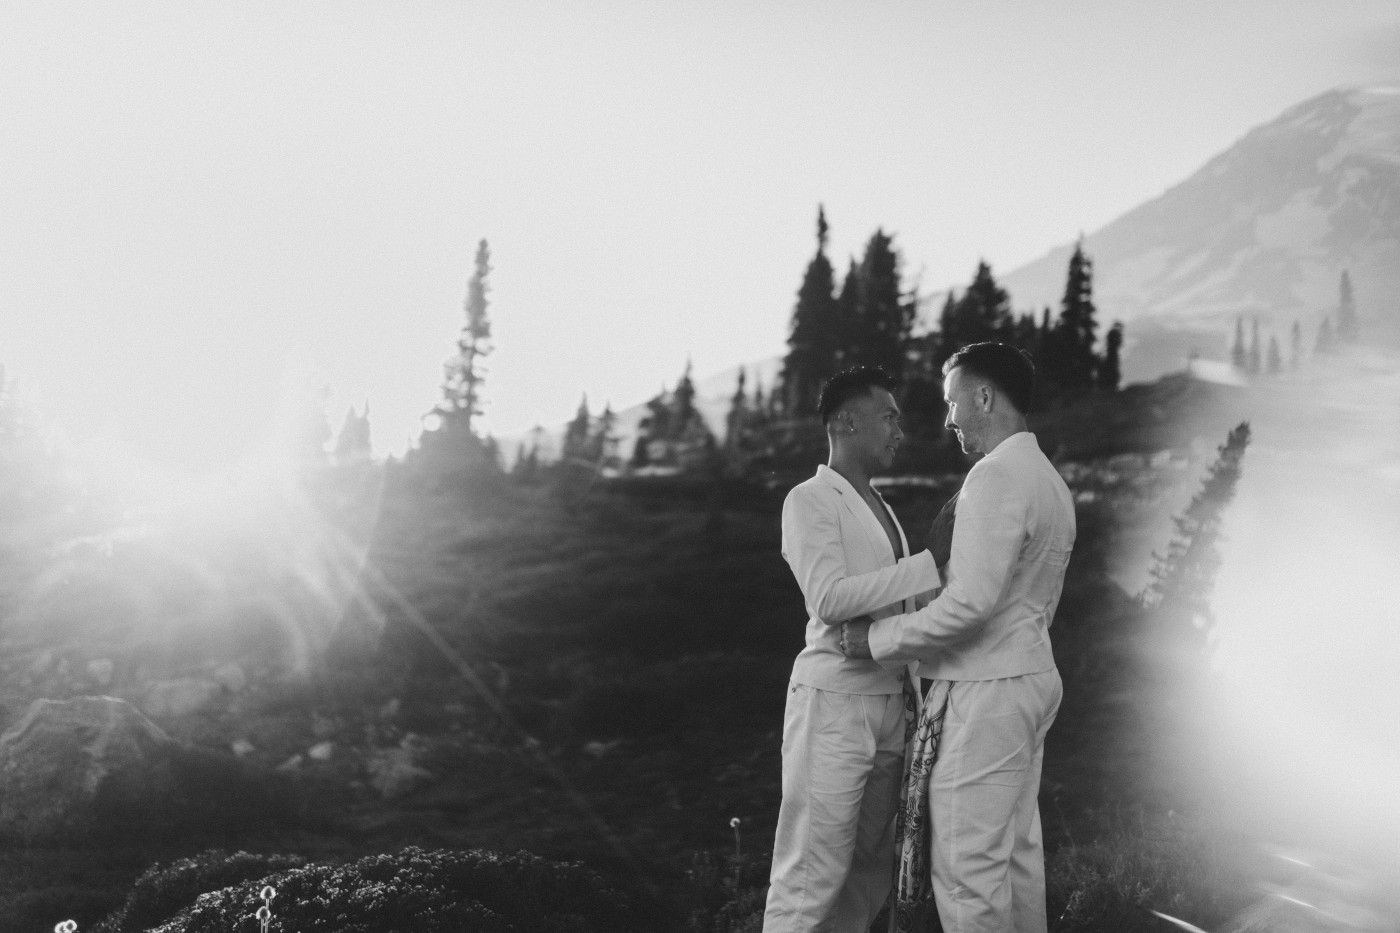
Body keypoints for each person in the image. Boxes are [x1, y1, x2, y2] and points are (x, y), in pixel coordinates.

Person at [841, 343, 1075, 933]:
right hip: (1029, 681)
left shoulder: (994, 477)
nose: (948, 420)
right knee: (1015, 862)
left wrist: (876, 639)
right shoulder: (1048, 480)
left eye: (952, 402)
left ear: (984, 396)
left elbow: (970, 604)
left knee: (967, 874)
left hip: (986, 691)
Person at [763, 366, 953, 933]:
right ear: (846, 420)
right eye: (888, 416)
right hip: (833, 706)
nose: (900, 430)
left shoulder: (884, 507)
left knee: (868, 872)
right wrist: (926, 562)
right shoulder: (809, 499)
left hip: (891, 709)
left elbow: (904, 602)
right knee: (810, 874)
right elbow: (829, 597)